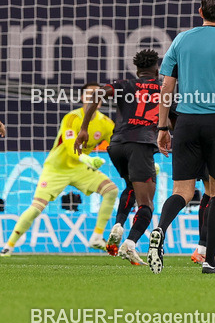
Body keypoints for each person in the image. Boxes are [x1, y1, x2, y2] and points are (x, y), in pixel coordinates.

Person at [148, 0, 215, 275]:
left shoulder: (181, 39)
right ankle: (209, 260)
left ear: (200, 11)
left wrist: (162, 126)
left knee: (182, 190)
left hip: (186, 121)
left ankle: (159, 229)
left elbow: (167, 88)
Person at [1, 84, 117, 256]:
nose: (94, 97)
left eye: (98, 94)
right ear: (82, 98)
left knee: (111, 190)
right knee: (36, 208)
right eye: (90, 94)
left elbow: (119, 146)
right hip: (56, 169)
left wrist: (142, 163)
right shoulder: (71, 118)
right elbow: (71, 146)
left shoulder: (106, 123)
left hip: (80, 169)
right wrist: (87, 158)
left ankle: (97, 236)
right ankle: (8, 246)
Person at [74, 50, 163, 265]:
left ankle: (119, 224)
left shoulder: (124, 84)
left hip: (117, 145)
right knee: (147, 203)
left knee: (130, 186)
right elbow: (175, 117)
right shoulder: (164, 89)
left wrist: (84, 128)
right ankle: (130, 244)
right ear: (157, 68)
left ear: (137, 70)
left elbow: (97, 94)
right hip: (141, 145)